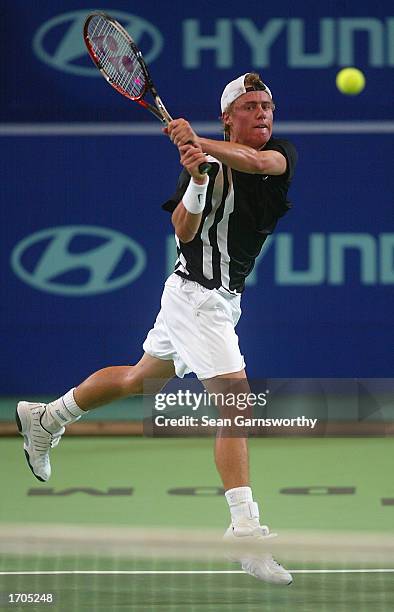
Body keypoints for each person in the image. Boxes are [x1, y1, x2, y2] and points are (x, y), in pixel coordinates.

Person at [16, 73, 297, 585]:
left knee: (138, 380)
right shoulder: (205, 165)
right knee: (235, 402)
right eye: (251, 107)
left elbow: (258, 163)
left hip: (222, 301)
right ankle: (245, 532)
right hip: (196, 298)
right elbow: (184, 230)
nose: (263, 114)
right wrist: (194, 178)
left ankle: (47, 417)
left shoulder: (278, 155)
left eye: (268, 106)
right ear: (229, 116)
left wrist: (197, 141)